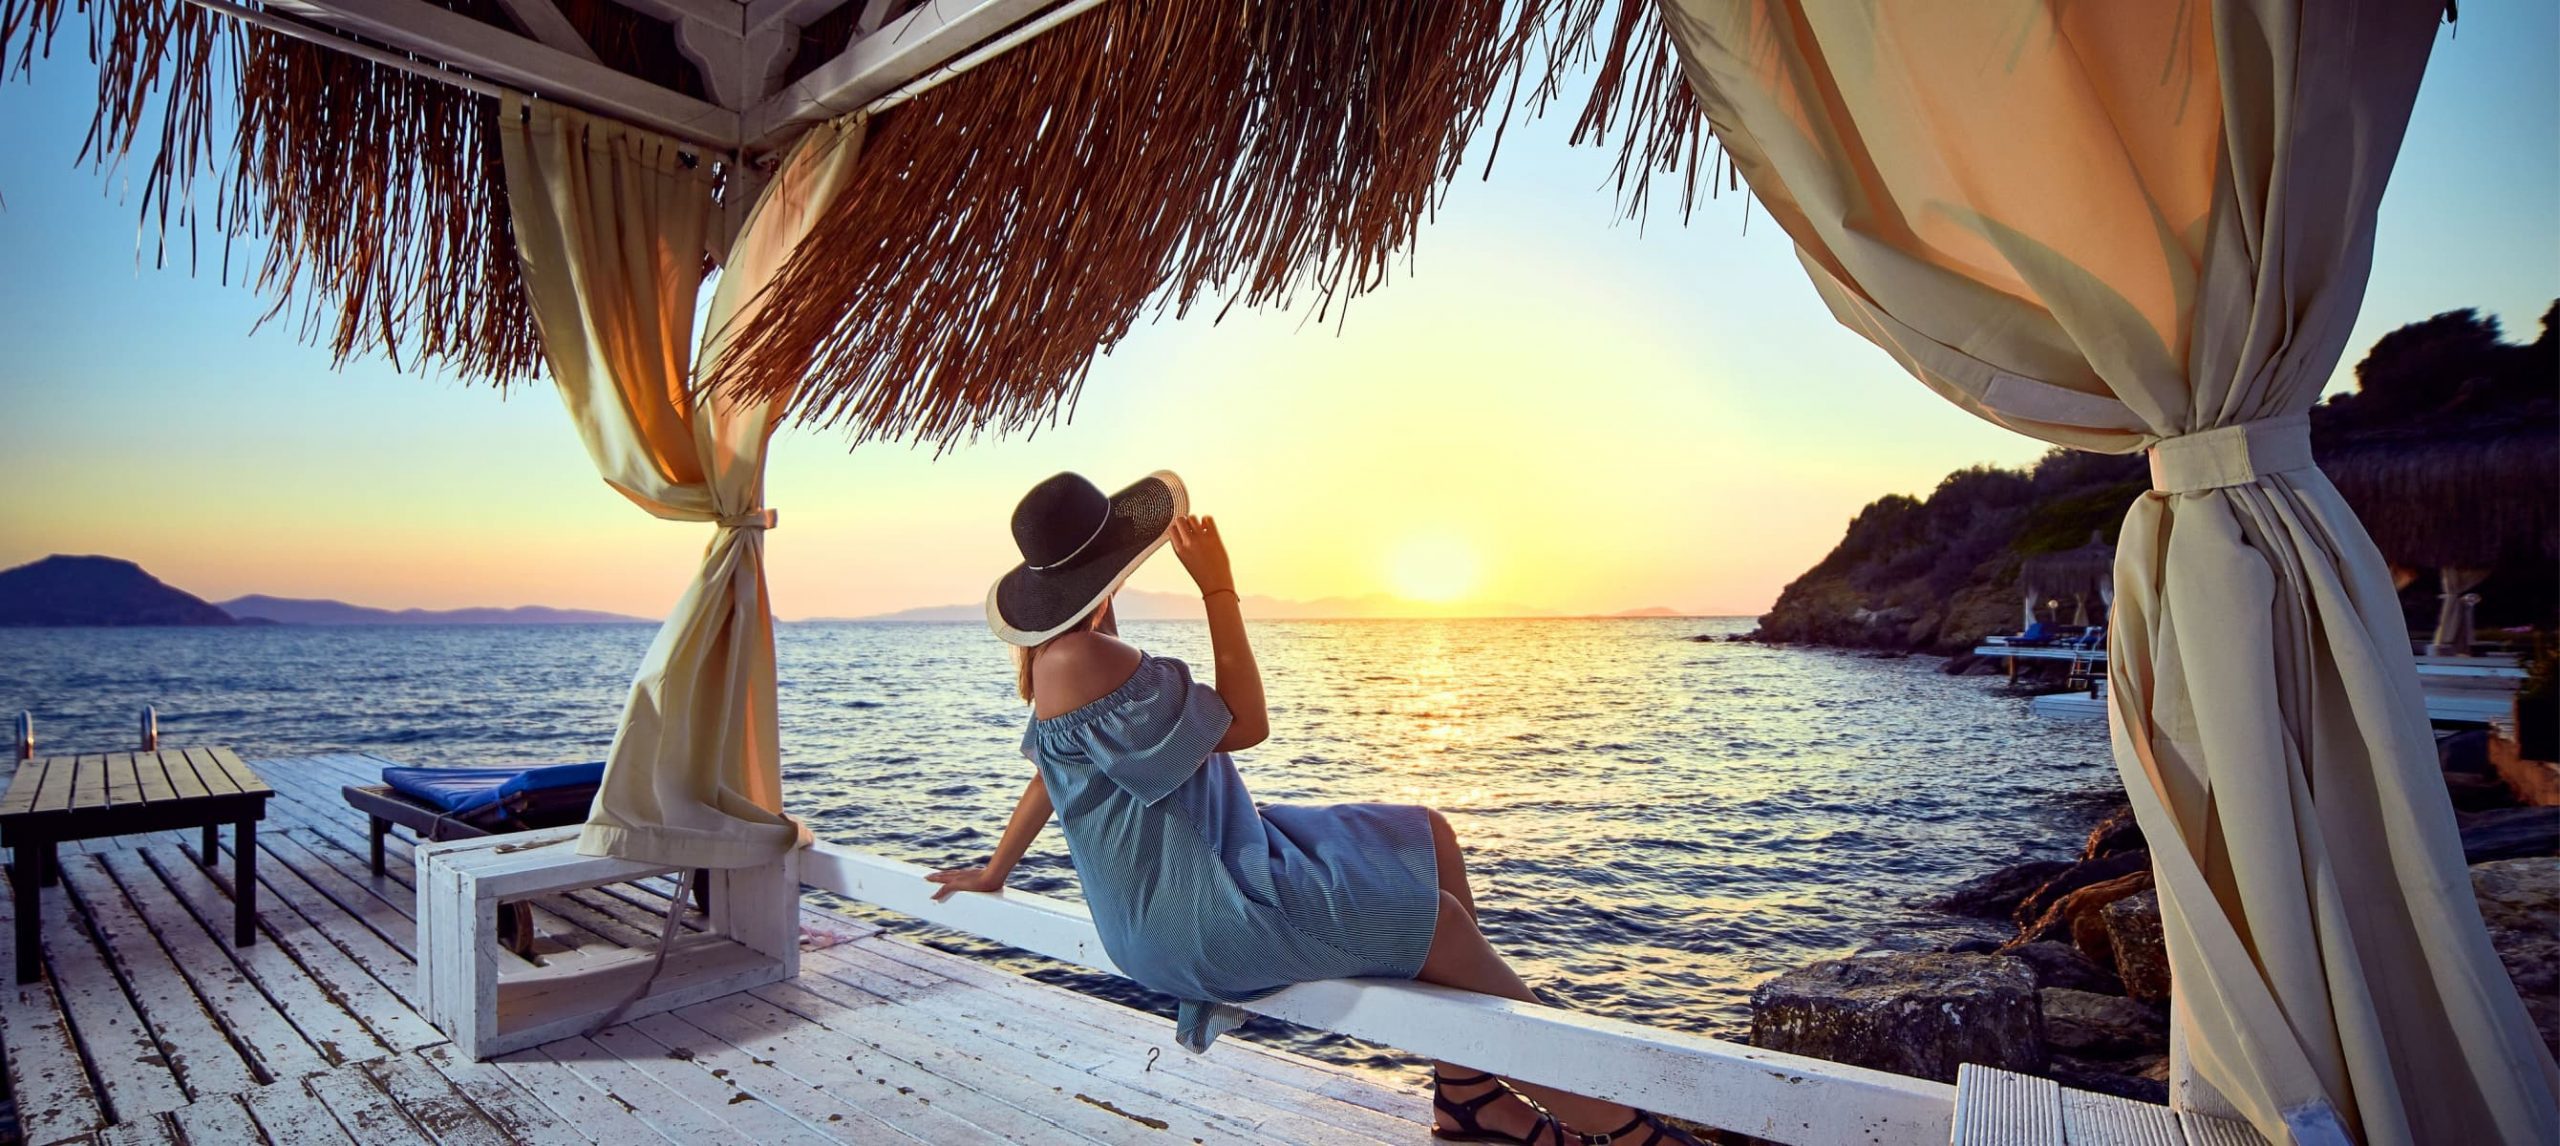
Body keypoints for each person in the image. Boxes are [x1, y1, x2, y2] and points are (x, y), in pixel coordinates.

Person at [926, 471, 1706, 1146]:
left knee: (1426, 833)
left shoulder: (1057, 659)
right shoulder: (1089, 655)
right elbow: (1248, 724)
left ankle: (1471, 1096)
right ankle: (1626, 1127)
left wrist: (998, 869)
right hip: (1199, 906)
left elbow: (1047, 779)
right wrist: (1218, 589)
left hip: (1205, 861)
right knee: (1438, 923)